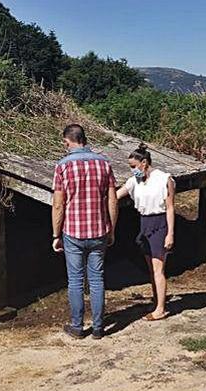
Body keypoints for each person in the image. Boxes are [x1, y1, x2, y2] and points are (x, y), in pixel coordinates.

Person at [52, 124, 118, 340]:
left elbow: (58, 205)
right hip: (99, 230)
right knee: (97, 280)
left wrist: (56, 234)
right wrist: (112, 229)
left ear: (68, 141)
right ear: (84, 139)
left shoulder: (62, 167)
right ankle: (99, 328)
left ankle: (77, 326)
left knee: (75, 280)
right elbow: (112, 200)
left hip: (73, 232)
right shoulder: (104, 164)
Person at [117, 144, 176, 321]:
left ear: (144, 163)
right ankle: (157, 301)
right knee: (151, 268)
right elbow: (117, 195)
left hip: (160, 222)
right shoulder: (134, 181)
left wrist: (170, 233)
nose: (133, 170)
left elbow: (170, 207)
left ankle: (160, 309)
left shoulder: (164, 179)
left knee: (159, 269)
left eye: (134, 167)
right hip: (144, 223)